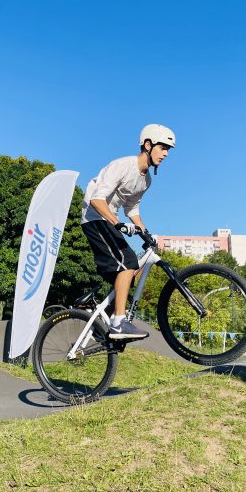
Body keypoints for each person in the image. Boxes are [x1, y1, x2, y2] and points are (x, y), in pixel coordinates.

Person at [80, 123, 175, 340]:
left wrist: (146, 233)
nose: (166, 154)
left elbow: (132, 209)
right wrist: (116, 222)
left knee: (130, 272)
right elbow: (96, 199)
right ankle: (118, 323)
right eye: (163, 148)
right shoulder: (122, 165)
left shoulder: (146, 180)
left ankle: (103, 318)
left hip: (109, 220)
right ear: (148, 145)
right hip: (95, 218)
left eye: (169, 150)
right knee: (127, 261)